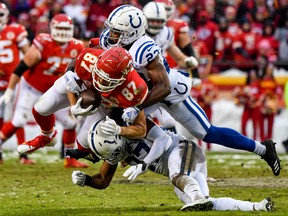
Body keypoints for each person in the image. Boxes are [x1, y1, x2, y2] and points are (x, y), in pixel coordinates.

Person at [96, 4, 281, 176]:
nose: (111, 35)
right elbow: (97, 51)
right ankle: (116, 158)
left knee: (207, 133)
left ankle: (263, 149)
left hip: (168, 92)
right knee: (116, 116)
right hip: (144, 91)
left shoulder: (144, 49)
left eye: (117, 31)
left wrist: (137, 107)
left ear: (132, 32)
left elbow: (164, 87)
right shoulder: (112, 41)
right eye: (112, 30)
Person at [71, 117, 274, 212]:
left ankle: (196, 197)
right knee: (207, 203)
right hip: (183, 167)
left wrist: (145, 164)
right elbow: (104, 180)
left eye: (115, 151)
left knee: (177, 177)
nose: (116, 157)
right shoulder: (113, 150)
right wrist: (86, 180)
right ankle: (258, 207)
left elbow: (163, 140)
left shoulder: (133, 125)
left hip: (183, 149)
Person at [17, 46, 148, 160]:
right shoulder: (88, 59)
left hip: (104, 105)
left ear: (122, 78)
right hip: (83, 85)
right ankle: (47, 136)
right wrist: (73, 105)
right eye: (99, 75)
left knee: (84, 143)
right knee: (40, 108)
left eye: (107, 81)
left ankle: (121, 157)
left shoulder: (134, 89)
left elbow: (141, 130)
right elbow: (71, 82)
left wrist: (120, 129)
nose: (100, 82)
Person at [0, 13, 86, 168]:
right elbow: (22, 66)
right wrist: (10, 90)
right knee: (19, 120)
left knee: (70, 124)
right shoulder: (43, 41)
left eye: (65, 28)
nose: (62, 31)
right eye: (59, 28)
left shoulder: (77, 46)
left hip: (54, 90)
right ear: (52, 28)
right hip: (31, 87)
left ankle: (70, 159)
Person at [0, 3, 33, 164]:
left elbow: (28, 54)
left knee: (17, 117)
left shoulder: (15, 30)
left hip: (14, 80)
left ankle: (23, 154)